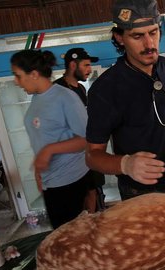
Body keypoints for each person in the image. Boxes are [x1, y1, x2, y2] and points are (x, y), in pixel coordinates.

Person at [86, 0, 165, 200]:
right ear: (119, 38)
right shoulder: (106, 88)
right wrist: (125, 164)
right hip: (138, 192)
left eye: (153, 32)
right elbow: (92, 156)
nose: (149, 44)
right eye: (137, 36)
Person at [11, 49, 89, 229]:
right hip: (50, 180)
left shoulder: (65, 97)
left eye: (18, 76)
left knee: (69, 238)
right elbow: (44, 136)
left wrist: (48, 150)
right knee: (60, 235)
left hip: (69, 180)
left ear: (34, 74)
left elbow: (86, 139)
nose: (16, 82)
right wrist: (39, 171)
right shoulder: (38, 98)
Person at [54, 48, 105, 213]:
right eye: (86, 65)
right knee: (77, 196)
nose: (90, 70)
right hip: (70, 156)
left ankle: (90, 224)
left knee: (93, 189)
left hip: (88, 150)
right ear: (72, 65)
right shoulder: (57, 91)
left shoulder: (82, 89)